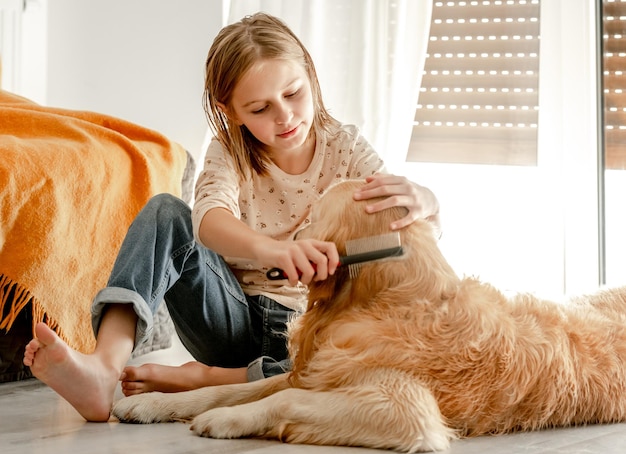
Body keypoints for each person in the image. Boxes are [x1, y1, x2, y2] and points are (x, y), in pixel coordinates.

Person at [23, 12, 441, 422]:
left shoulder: (347, 148)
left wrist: (427, 201)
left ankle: (204, 380)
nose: (285, 116)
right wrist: (272, 250)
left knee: (342, 363)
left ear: (310, 76)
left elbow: (406, 233)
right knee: (166, 212)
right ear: (231, 112)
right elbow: (208, 220)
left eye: (293, 94)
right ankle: (103, 368)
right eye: (260, 108)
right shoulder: (229, 151)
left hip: (306, 329)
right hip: (232, 319)